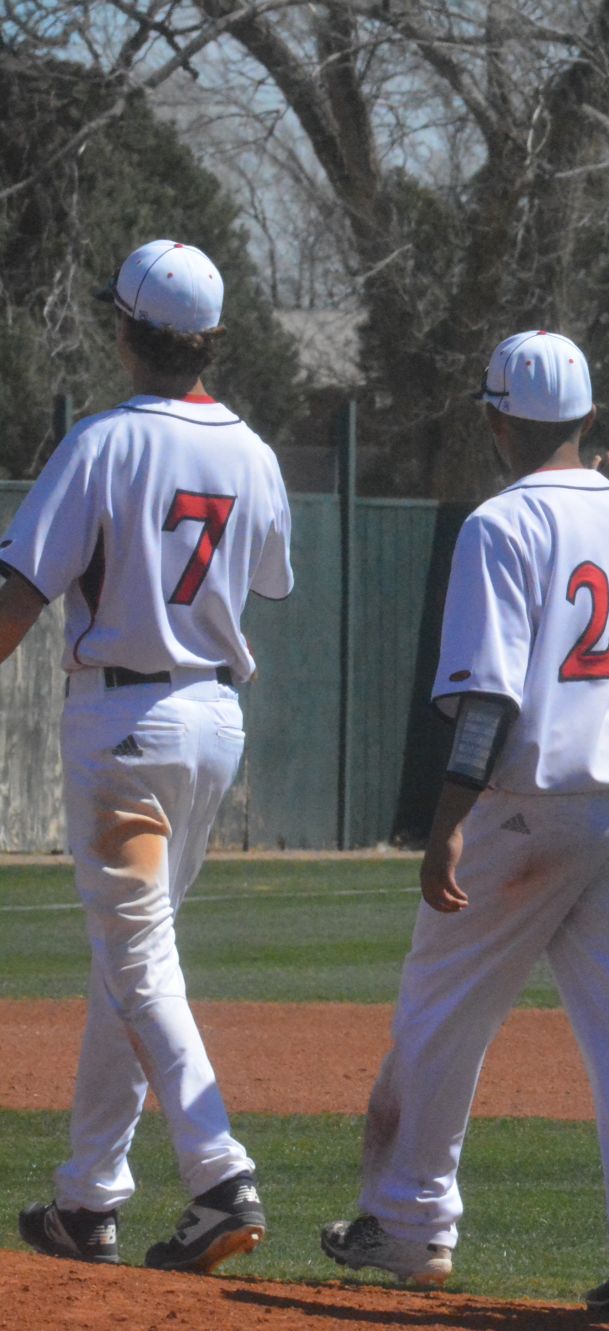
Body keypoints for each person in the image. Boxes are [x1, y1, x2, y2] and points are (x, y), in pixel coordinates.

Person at [319, 330, 609, 1321]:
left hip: (536, 803)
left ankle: (408, 1222)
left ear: (497, 419)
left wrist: (446, 818)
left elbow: (486, 698)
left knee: (445, 1007)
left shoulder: (503, 523)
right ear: (583, 419)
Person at [5, 240, 290, 1275]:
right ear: (210, 340)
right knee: (124, 963)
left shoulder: (103, 442)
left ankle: (219, 1175)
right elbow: (266, 578)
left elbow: (21, 596)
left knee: (138, 962)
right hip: (213, 721)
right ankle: (89, 1197)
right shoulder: (253, 451)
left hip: (124, 724)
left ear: (123, 333)